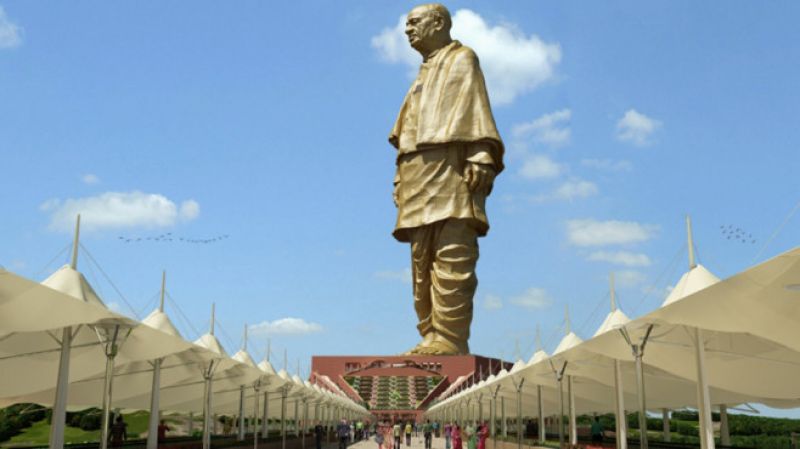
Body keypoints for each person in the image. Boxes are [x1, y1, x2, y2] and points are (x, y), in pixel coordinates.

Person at [388, 3, 504, 356]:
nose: (407, 29)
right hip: (416, 174)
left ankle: (450, 338)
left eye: (414, 22)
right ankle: (430, 333)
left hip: (450, 168)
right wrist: (399, 178)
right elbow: (406, 131)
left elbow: (476, 110)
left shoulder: (462, 59)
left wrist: (481, 153)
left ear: (438, 23)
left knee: (452, 252)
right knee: (420, 261)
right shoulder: (421, 75)